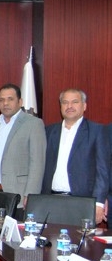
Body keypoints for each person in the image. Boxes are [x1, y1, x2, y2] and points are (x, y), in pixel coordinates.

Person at [42, 88, 110, 224]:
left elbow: (103, 171)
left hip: (82, 202)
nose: (69, 106)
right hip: (51, 200)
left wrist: (99, 203)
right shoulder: (48, 131)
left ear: (84, 106)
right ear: (60, 106)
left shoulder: (97, 131)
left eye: (74, 102)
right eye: (65, 102)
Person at [0, 83, 46, 219]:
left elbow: (37, 163)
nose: (5, 103)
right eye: (2, 100)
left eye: (10, 99)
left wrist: (30, 194)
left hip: (19, 196)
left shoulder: (34, 124)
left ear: (20, 102)